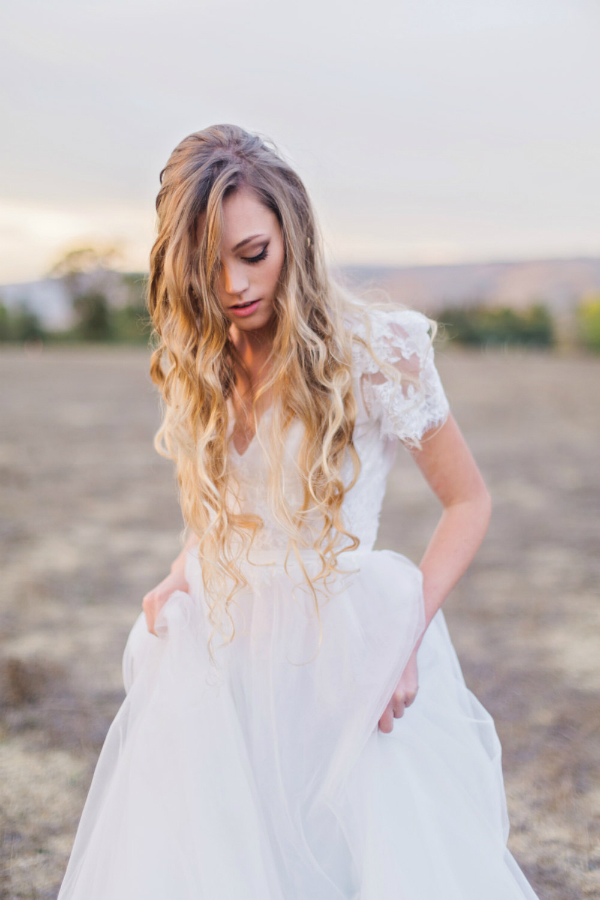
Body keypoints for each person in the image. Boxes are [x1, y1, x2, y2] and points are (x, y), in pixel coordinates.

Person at [57, 124, 540, 899]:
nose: (236, 287)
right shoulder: (202, 361)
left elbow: (468, 501)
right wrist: (183, 571)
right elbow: (224, 509)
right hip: (227, 649)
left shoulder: (380, 350)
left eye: (254, 254)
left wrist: (406, 634)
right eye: (209, 268)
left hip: (345, 648)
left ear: (293, 233)